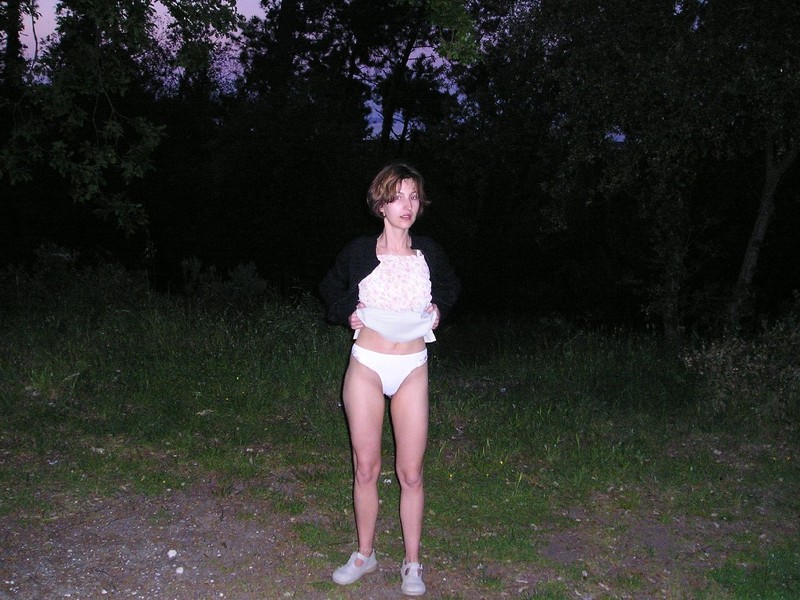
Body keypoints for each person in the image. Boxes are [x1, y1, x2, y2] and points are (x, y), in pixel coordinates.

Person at [319, 162, 460, 596]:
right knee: (366, 467)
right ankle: (365, 554)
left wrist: (439, 310)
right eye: (397, 196)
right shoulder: (360, 251)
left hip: (412, 367)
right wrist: (347, 312)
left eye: (414, 196)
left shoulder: (428, 253)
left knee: (411, 473)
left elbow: (450, 287)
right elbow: (330, 289)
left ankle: (412, 562)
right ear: (381, 204)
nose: (407, 205)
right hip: (367, 365)